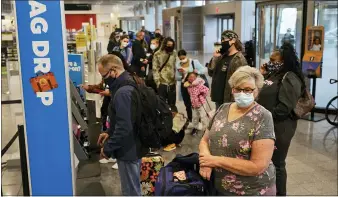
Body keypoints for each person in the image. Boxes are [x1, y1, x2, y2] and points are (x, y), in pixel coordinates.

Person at [199, 66, 276, 196]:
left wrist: (215, 160)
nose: (242, 93)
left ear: (256, 91)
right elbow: (205, 140)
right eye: (237, 89)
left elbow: (258, 166)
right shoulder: (222, 109)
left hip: (251, 190)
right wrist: (205, 162)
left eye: (247, 90)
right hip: (219, 188)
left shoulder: (263, 116)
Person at [257, 43, 305, 196]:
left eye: (274, 60)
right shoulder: (274, 74)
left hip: (280, 127)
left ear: (284, 61)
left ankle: (280, 194)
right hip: (267, 124)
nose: (271, 62)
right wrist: (263, 74)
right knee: (266, 162)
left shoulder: (290, 77)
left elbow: (284, 108)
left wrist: (265, 117)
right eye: (269, 59)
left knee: (277, 164)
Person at [98, 54, 143, 196]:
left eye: (104, 76)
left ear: (113, 71)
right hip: (131, 145)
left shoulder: (123, 92)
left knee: (131, 191)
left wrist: (108, 148)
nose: (103, 80)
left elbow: (124, 127)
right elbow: (123, 118)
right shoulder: (127, 84)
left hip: (128, 149)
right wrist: (109, 132)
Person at [208, 30, 247, 110]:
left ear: (233, 40)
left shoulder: (238, 59)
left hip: (229, 101)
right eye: (221, 40)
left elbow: (241, 82)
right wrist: (215, 58)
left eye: (224, 39)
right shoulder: (222, 56)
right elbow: (211, 72)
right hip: (218, 98)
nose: (222, 42)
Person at [175, 49, 207, 128]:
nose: (182, 60)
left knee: (197, 105)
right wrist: (181, 75)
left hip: (195, 87)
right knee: (188, 104)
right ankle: (190, 120)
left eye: (183, 58)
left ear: (186, 56)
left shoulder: (194, 62)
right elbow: (177, 77)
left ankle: (199, 122)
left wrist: (197, 72)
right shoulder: (178, 65)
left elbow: (204, 70)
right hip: (185, 86)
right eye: (181, 59)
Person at [153, 37, 177, 107]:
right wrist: (157, 82)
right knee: (162, 104)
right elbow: (155, 69)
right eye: (168, 45)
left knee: (172, 104)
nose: (170, 47)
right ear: (164, 44)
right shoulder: (157, 54)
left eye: (172, 45)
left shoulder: (174, 53)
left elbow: (176, 66)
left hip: (172, 82)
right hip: (162, 82)